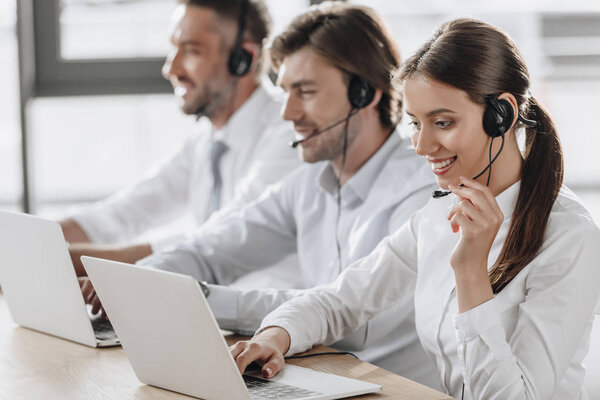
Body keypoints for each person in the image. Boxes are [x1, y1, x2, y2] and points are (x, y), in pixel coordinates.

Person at [231, 18, 600, 400]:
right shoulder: (439, 213)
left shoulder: (570, 237)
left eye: (442, 122)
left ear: (501, 115)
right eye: (414, 124)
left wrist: (471, 272)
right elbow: (343, 299)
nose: (423, 146)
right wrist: (276, 334)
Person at [137, 2, 439, 388]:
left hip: (393, 391)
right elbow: (213, 248)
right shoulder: (309, 183)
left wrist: (197, 299)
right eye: (285, 93)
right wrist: (149, 277)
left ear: (365, 93)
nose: (288, 114)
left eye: (306, 92)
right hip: (317, 379)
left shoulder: (423, 190)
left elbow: (359, 323)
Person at [60, 0, 300, 282]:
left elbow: (222, 237)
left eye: (191, 50)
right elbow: (124, 212)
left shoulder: (290, 130)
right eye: (174, 48)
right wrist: (36, 240)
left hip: (266, 317)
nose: (170, 68)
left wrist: (66, 260)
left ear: (242, 58)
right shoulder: (205, 142)